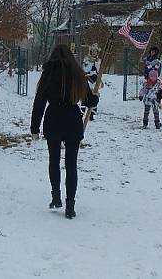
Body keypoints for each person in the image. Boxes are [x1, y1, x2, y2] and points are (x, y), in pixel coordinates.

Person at [30, 44, 99, 219]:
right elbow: (88, 100)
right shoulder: (76, 73)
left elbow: (39, 102)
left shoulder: (48, 73)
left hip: (53, 118)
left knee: (54, 160)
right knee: (71, 164)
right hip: (72, 119)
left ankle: (55, 196)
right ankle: (70, 205)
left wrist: (34, 127)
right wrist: (95, 98)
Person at [82, 43, 102, 121]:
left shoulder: (99, 61)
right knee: (85, 96)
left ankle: (92, 114)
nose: (94, 53)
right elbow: (85, 70)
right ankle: (82, 112)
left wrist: (96, 63)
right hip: (88, 80)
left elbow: (99, 70)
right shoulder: (86, 60)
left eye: (95, 51)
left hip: (95, 81)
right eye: (93, 51)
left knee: (95, 96)